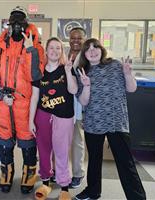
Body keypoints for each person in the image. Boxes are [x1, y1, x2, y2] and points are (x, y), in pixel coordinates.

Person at [75, 38, 146, 200]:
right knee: (94, 160)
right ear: (84, 54)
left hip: (117, 122)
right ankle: (93, 191)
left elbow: (132, 88)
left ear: (102, 49)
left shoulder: (114, 65)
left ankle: (137, 197)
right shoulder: (83, 71)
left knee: (125, 163)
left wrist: (128, 74)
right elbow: (83, 101)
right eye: (88, 49)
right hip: (94, 123)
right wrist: (86, 85)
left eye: (95, 47)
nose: (92, 51)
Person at [0, 6, 44, 194]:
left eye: (21, 22)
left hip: (25, 105)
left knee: (28, 144)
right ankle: (7, 173)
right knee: (4, 143)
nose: (17, 27)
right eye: (14, 23)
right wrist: (0, 94)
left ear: (26, 24)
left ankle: (28, 175)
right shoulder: (0, 47)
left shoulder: (35, 48)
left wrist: (30, 50)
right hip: (4, 103)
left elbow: (36, 76)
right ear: (9, 25)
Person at [30, 37, 78, 200]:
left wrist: (68, 72)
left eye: (58, 48)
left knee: (62, 151)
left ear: (61, 51)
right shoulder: (39, 72)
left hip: (64, 116)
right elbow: (34, 98)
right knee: (43, 150)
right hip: (43, 115)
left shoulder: (68, 68)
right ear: (46, 50)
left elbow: (73, 90)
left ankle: (64, 186)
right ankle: (45, 183)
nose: (55, 51)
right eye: (51, 48)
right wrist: (30, 121)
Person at [67, 27, 86, 188]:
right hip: (63, 105)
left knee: (77, 140)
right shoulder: (64, 55)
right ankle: (58, 171)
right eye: (73, 38)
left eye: (79, 38)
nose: (75, 41)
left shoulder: (87, 58)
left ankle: (78, 173)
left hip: (79, 104)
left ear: (84, 40)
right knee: (60, 140)